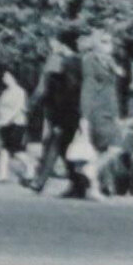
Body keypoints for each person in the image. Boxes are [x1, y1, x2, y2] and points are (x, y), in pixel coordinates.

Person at [31, 29, 85, 197]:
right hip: (73, 111)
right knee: (63, 148)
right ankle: (78, 184)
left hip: (63, 111)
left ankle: (40, 182)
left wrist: (52, 111)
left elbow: (60, 91)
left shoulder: (63, 63)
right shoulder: (79, 62)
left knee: (55, 145)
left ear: (63, 45)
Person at [80, 31, 133, 199]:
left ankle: (93, 189)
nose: (108, 45)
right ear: (95, 43)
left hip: (110, 110)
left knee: (100, 150)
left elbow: (113, 90)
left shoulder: (109, 61)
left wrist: (116, 115)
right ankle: (92, 169)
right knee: (116, 146)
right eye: (103, 41)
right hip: (98, 111)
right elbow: (88, 88)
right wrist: (84, 116)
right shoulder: (91, 61)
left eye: (109, 41)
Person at [0, 64, 30, 183]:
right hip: (4, 123)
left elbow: (18, 108)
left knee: (15, 150)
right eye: (4, 76)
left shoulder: (20, 91)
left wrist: (7, 120)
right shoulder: (6, 91)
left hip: (16, 124)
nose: (5, 78)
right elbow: (0, 106)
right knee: (4, 149)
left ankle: (31, 166)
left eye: (7, 76)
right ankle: (2, 174)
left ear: (14, 77)